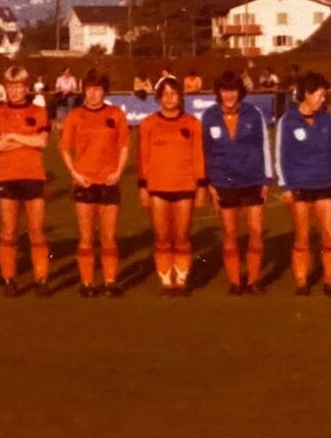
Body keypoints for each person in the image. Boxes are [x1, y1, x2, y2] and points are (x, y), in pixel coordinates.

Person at [58, 69, 130, 297]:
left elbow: (124, 146)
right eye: (89, 89)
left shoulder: (116, 114)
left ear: (104, 92)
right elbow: (64, 148)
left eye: (97, 89)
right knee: (86, 237)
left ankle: (110, 281)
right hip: (85, 182)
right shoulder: (75, 116)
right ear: (84, 91)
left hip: (109, 182)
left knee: (108, 237)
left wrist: (118, 171)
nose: (93, 94)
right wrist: (74, 173)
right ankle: (87, 282)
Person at [201, 70, 273, 295]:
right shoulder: (209, 116)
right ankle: (235, 281)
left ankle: (253, 280)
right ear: (219, 93)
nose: (229, 95)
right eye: (224, 91)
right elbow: (205, 152)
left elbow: (264, 147)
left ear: (239, 92)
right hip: (224, 180)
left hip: (252, 179)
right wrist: (209, 183)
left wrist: (267, 179)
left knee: (256, 231)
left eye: (233, 90)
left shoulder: (254, 113)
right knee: (230, 234)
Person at [276, 71, 331, 296]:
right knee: (302, 236)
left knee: (329, 234)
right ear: (307, 94)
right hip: (300, 186)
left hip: (325, 184)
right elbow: (281, 155)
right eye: (320, 95)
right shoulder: (288, 121)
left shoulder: (325, 119)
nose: (323, 99)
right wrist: (285, 186)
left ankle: (329, 281)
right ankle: (301, 281)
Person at [138, 76, 206, 296]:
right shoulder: (148, 123)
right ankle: (166, 280)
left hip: (185, 186)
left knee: (182, 236)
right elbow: (143, 158)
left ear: (180, 97)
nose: (169, 98)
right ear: (158, 98)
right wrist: (143, 187)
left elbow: (198, 156)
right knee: (162, 237)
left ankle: (182, 279)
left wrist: (201, 186)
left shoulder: (192, 123)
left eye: (173, 94)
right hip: (158, 188)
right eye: (165, 94)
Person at [0, 66, 53, 297]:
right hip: (7, 177)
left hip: (34, 176)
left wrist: (14, 137)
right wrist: (29, 140)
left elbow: (43, 142)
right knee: (9, 231)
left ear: (27, 87)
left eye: (19, 86)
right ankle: (8, 279)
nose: (15, 91)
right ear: (6, 88)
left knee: (36, 231)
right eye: (10, 86)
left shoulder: (39, 112)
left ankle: (42, 279)